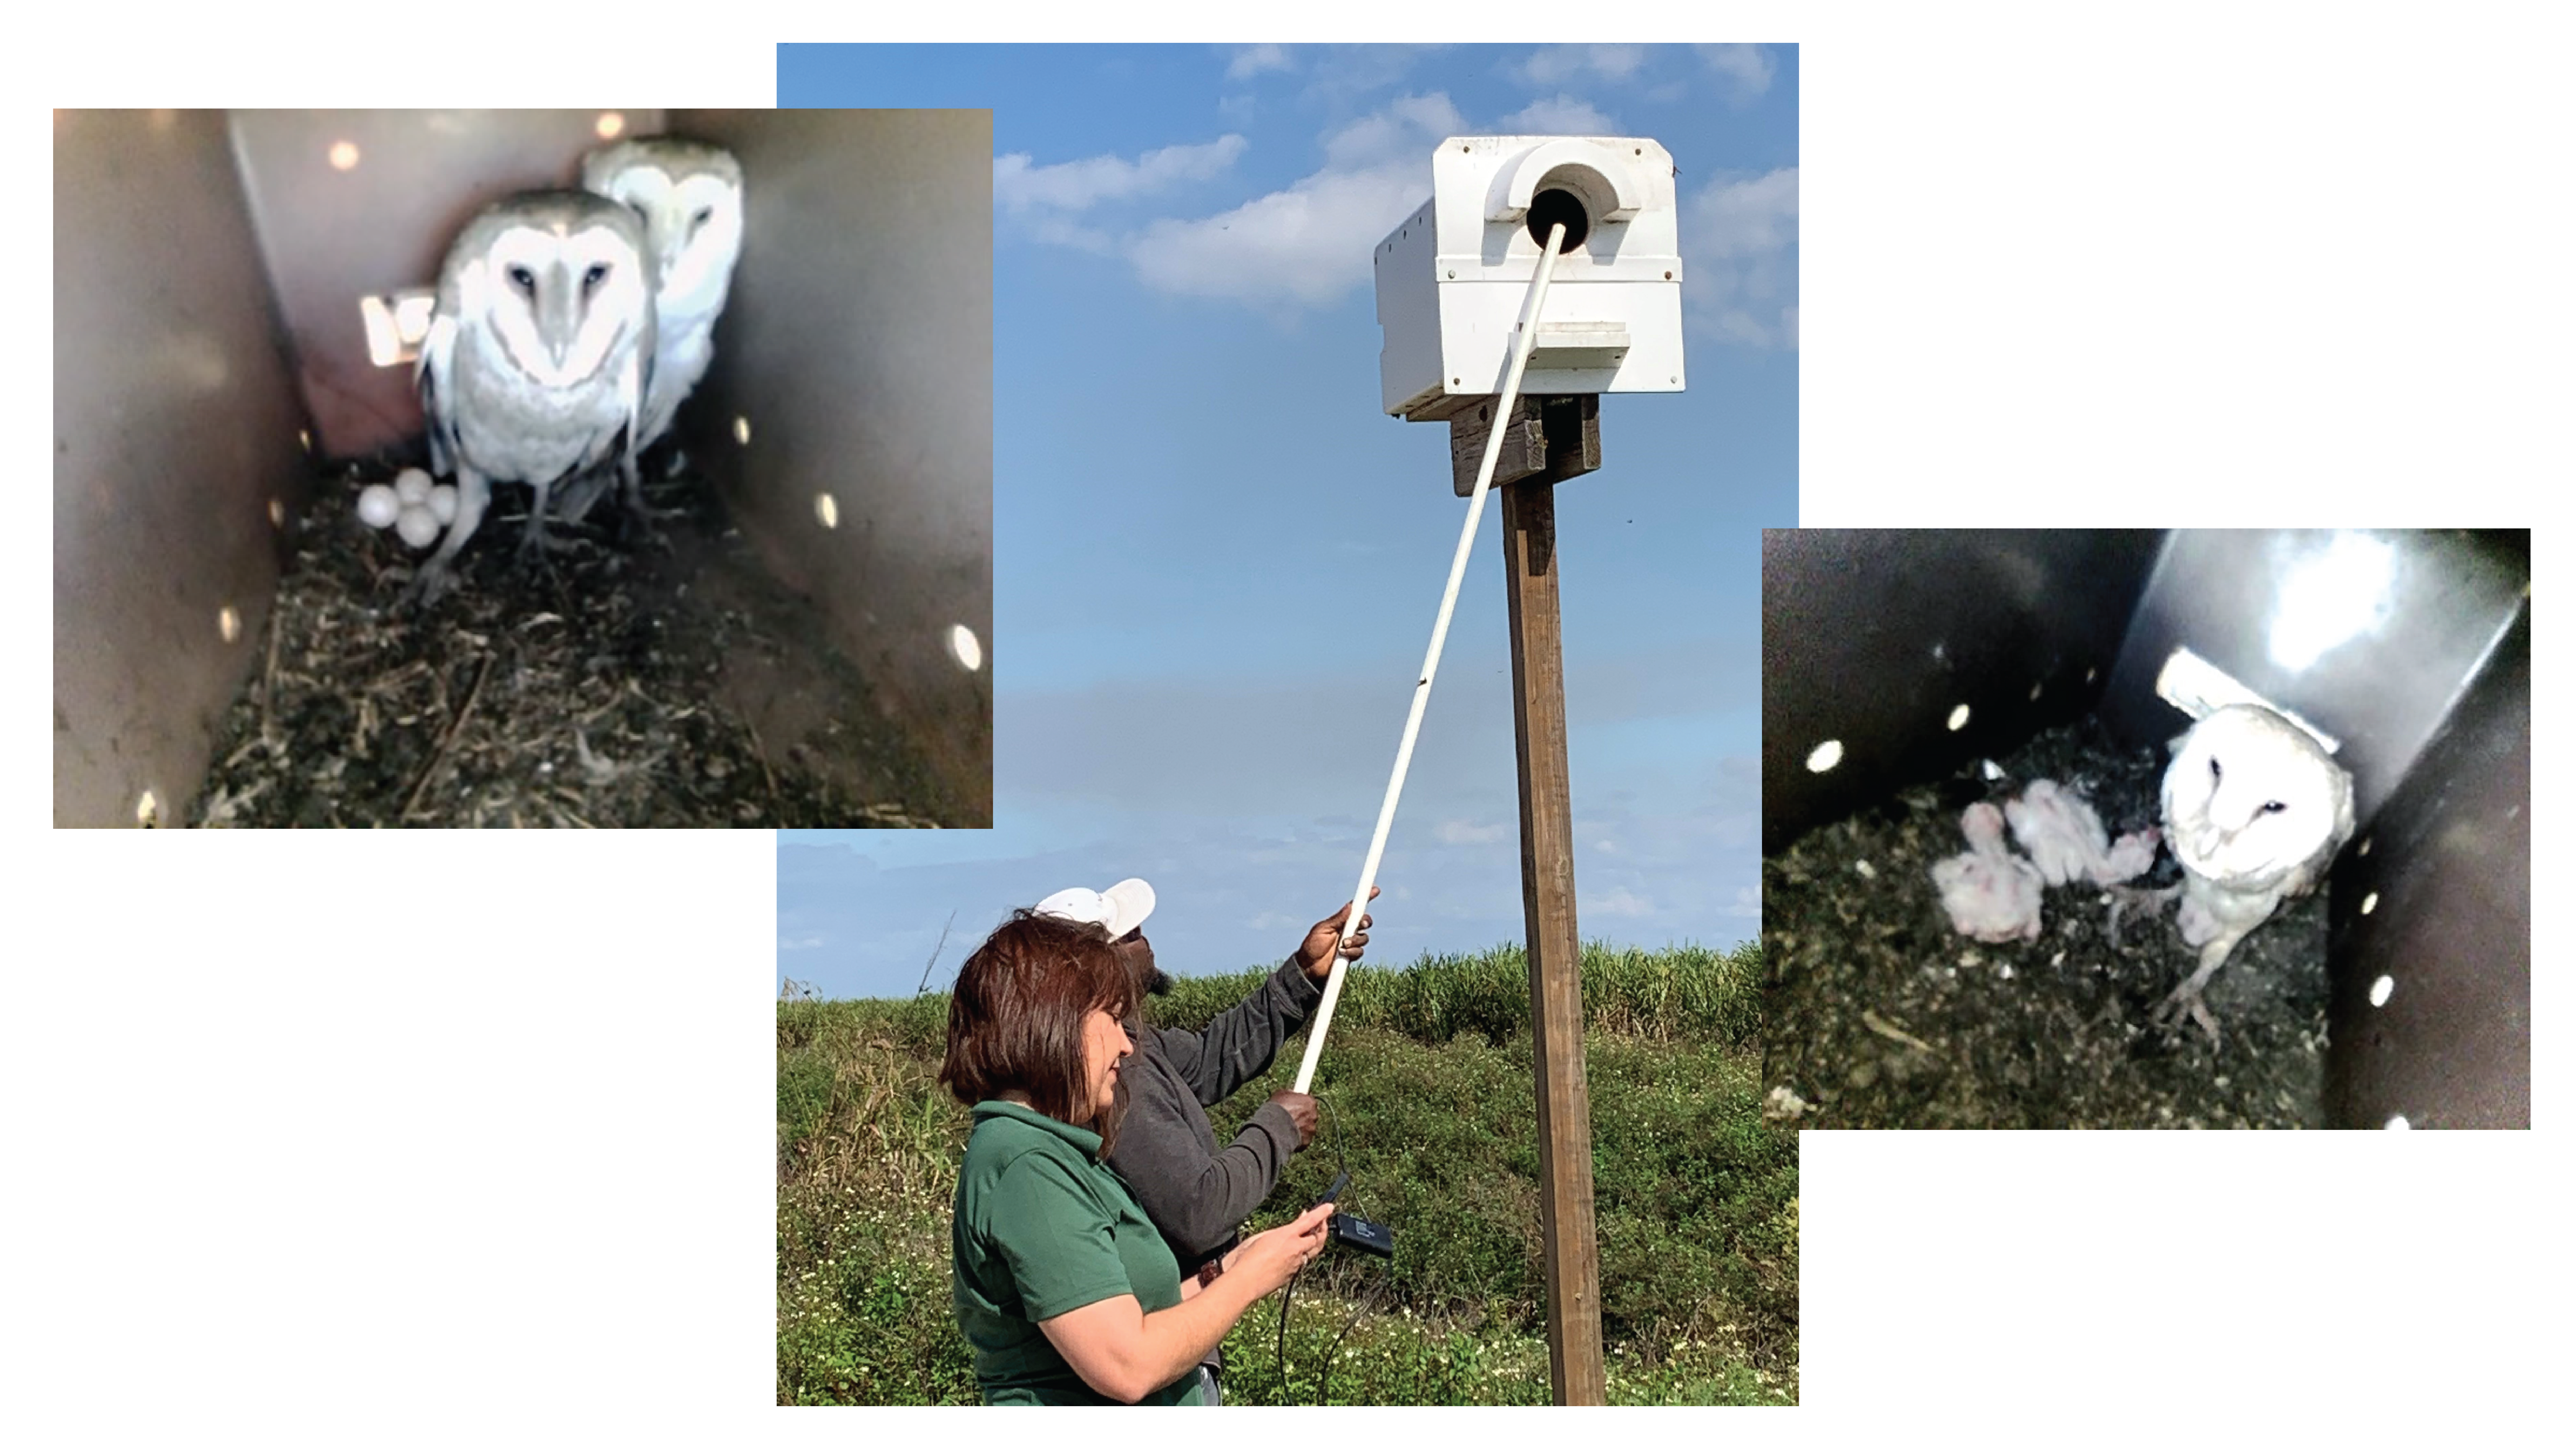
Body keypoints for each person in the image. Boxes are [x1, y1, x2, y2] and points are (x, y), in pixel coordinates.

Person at [941, 910, 1336, 1405]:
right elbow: (1128, 1365)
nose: (1128, 1046)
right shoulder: (1027, 1166)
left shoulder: (1056, 1150)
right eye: (1112, 1018)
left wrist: (1236, 1265)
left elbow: (1135, 1316)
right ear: (1057, 1024)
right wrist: (1252, 1281)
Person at [1033, 877, 1375, 1405]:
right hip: (1162, 1370)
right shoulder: (1115, 1081)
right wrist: (1277, 1130)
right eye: (1131, 936)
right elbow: (1201, 1209)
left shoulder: (1132, 1048)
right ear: (1093, 968)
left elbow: (1215, 1056)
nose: (1147, 942)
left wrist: (1304, 976)